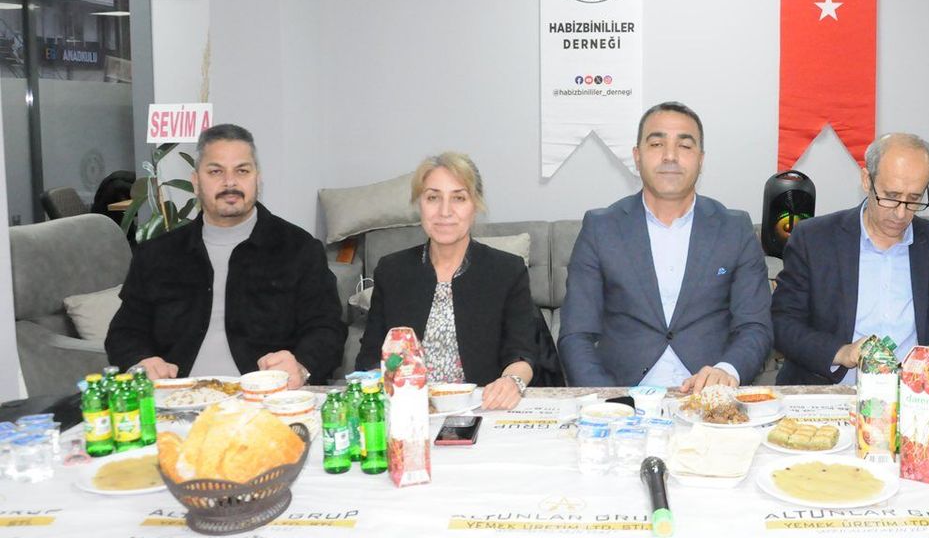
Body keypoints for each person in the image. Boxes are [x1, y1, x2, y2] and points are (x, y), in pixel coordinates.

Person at [106, 124, 345, 389]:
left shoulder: (299, 250)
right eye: (216, 172)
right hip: (176, 398)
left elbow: (327, 329)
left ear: (257, 179)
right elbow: (124, 332)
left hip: (265, 398)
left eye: (242, 171)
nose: (230, 183)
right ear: (196, 182)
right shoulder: (156, 255)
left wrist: (301, 366)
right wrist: (140, 362)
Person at [558, 101, 773, 392]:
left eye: (684, 146)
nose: (670, 156)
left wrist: (727, 371)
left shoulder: (734, 229)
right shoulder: (601, 228)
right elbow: (576, 334)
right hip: (621, 396)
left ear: (701, 159)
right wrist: (609, 401)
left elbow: (755, 326)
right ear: (637, 156)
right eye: (657, 144)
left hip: (708, 398)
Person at [771, 133, 929, 384]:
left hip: (915, 396)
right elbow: (782, 322)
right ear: (867, 180)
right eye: (891, 196)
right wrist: (842, 353)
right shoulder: (814, 240)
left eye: (914, 199)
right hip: (827, 391)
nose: (900, 213)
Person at [353, 153, 542, 410]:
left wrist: (511, 382)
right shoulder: (392, 271)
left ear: (475, 206)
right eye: (433, 198)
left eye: (458, 198)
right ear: (419, 204)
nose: (445, 212)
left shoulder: (507, 270)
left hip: (480, 408)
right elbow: (371, 357)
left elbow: (522, 354)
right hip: (407, 409)